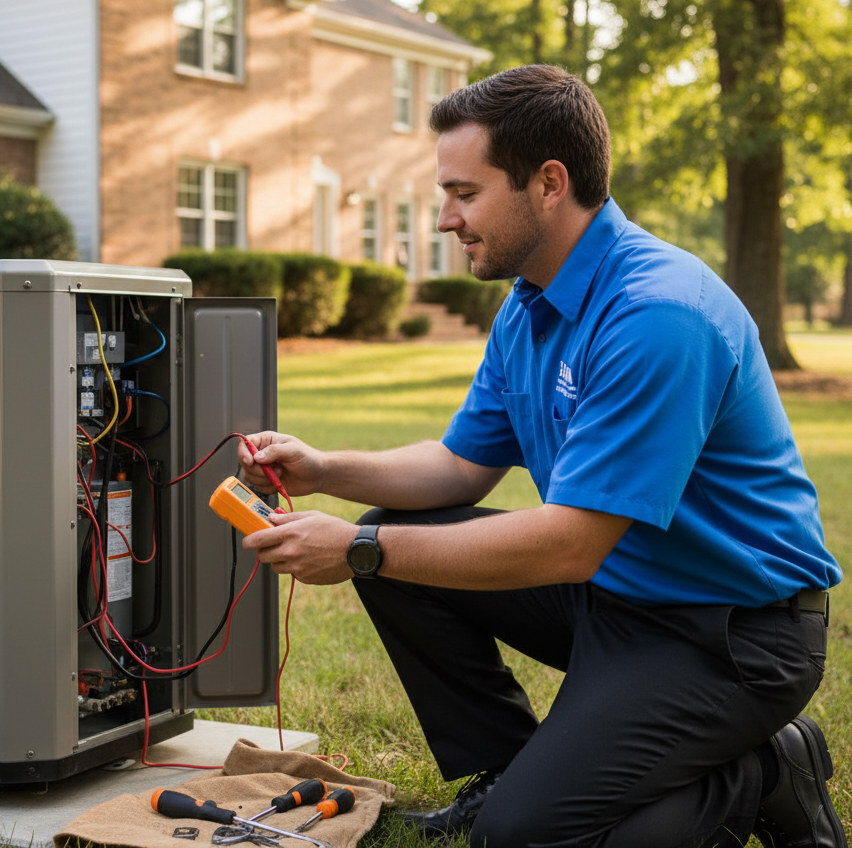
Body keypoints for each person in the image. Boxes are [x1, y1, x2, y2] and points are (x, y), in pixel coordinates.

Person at [238, 65, 845, 848]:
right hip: (618, 600)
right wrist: (325, 470)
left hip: (729, 635)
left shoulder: (658, 314)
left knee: (523, 839)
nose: (446, 220)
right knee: (395, 535)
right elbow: (460, 469)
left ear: (548, 182)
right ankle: (507, 769)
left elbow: (570, 542)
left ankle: (764, 773)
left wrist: (359, 549)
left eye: (465, 193)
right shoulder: (529, 303)